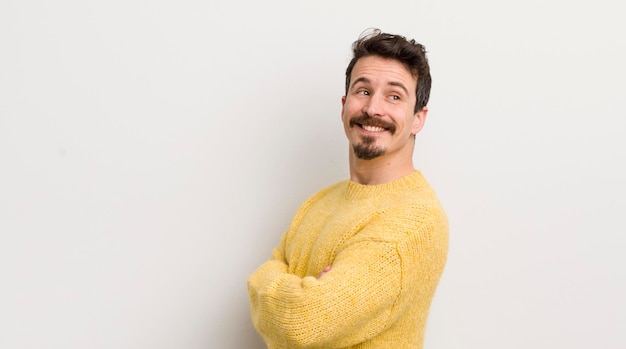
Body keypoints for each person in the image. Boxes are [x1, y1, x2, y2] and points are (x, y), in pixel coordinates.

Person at [247, 28, 449, 348]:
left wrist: (275, 285)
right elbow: (261, 285)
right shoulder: (320, 202)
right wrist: (280, 286)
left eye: (394, 96)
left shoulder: (414, 220)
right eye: (363, 91)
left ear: (417, 119)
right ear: (344, 104)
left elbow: (301, 322)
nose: (373, 109)